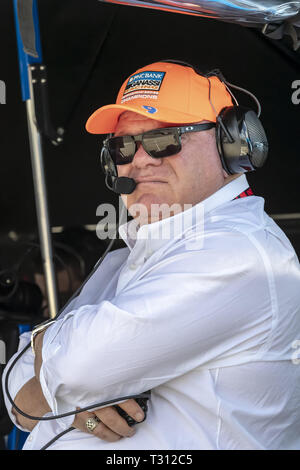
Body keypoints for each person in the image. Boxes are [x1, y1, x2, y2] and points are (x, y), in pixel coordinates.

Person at [2, 61, 300, 450]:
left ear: (232, 146)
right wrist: (67, 396)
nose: (140, 160)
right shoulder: (120, 261)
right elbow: (16, 397)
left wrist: (54, 365)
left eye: (164, 139)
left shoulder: (238, 254)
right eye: (123, 146)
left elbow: (74, 367)